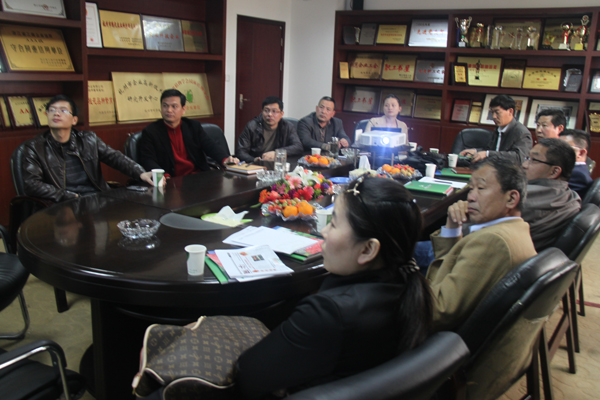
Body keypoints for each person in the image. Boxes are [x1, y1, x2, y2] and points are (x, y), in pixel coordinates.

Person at [237, 177, 433, 399]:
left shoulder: (328, 313)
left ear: (368, 249)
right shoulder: (407, 283)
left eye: (334, 223)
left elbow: (249, 375)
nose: (324, 232)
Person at [426, 155, 536, 331]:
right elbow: (452, 269)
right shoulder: (517, 229)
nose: (470, 197)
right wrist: (453, 226)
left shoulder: (493, 241)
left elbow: (439, 310)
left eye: (481, 188)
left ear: (511, 199)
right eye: (471, 188)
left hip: (444, 339)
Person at [22, 95, 153, 202]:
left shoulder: (88, 140)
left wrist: (140, 173)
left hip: (96, 199)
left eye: (63, 110)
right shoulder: (34, 147)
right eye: (52, 110)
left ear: (74, 120)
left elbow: (115, 157)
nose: (56, 113)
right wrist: (68, 196)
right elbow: (32, 184)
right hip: (64, 204)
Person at [139, 89, 238, 177]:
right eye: (165, 106)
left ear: (183, 109)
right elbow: (147, 159)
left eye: (174, 106)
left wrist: (225, 159)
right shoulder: (151, 131)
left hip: (198, 177)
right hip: (172, 180)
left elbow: (210, 146)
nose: (169, 110)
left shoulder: (193, 126)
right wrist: (162, 176)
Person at [522, 138, 581, 251]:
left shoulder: (523, 198)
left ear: (554, 172)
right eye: (527, 158)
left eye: (533, 160)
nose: (524, 165)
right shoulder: (572, 197)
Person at [460, 95, 532, 164]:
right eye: (492, 112)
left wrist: (488, 154)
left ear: (510, 111)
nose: (494, 116)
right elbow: (491, 150)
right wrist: (475, 151)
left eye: (497, 112)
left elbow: (519, 158)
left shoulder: (522, 132)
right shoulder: (498, 129)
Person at [237, 96, 303, 163]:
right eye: (266, 111)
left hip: (278, 164)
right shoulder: (252, 126)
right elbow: (241, 151)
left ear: (281, 114)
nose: (270, 114)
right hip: (256, 164)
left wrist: (276, 153)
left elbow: (298, 147)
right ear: (262, 111)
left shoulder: (287, 127)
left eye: (274, 111)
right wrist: (254, 160)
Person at [560, 129, 593, 198]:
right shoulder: (578, 170)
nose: (555, 151)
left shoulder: (577, 175)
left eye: (563, 148)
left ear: (580, 153)